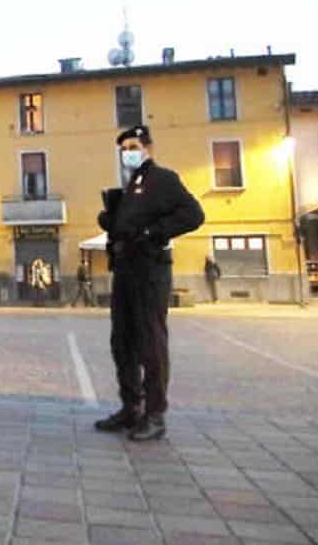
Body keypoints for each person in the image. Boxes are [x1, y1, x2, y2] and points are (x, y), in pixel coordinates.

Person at [95, 125, 204, 442]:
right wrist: (111, 221)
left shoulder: (162, 179)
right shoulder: (132, 185)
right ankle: (131, 408)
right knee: (122, 341)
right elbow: (127, 225)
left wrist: (154, 233)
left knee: (150, 342)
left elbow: (194, 215)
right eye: (124, 148)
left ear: (147, 148)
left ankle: (155, 414)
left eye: (133, 145)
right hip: (126, 269)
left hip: (150, 270)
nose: (128, 152)